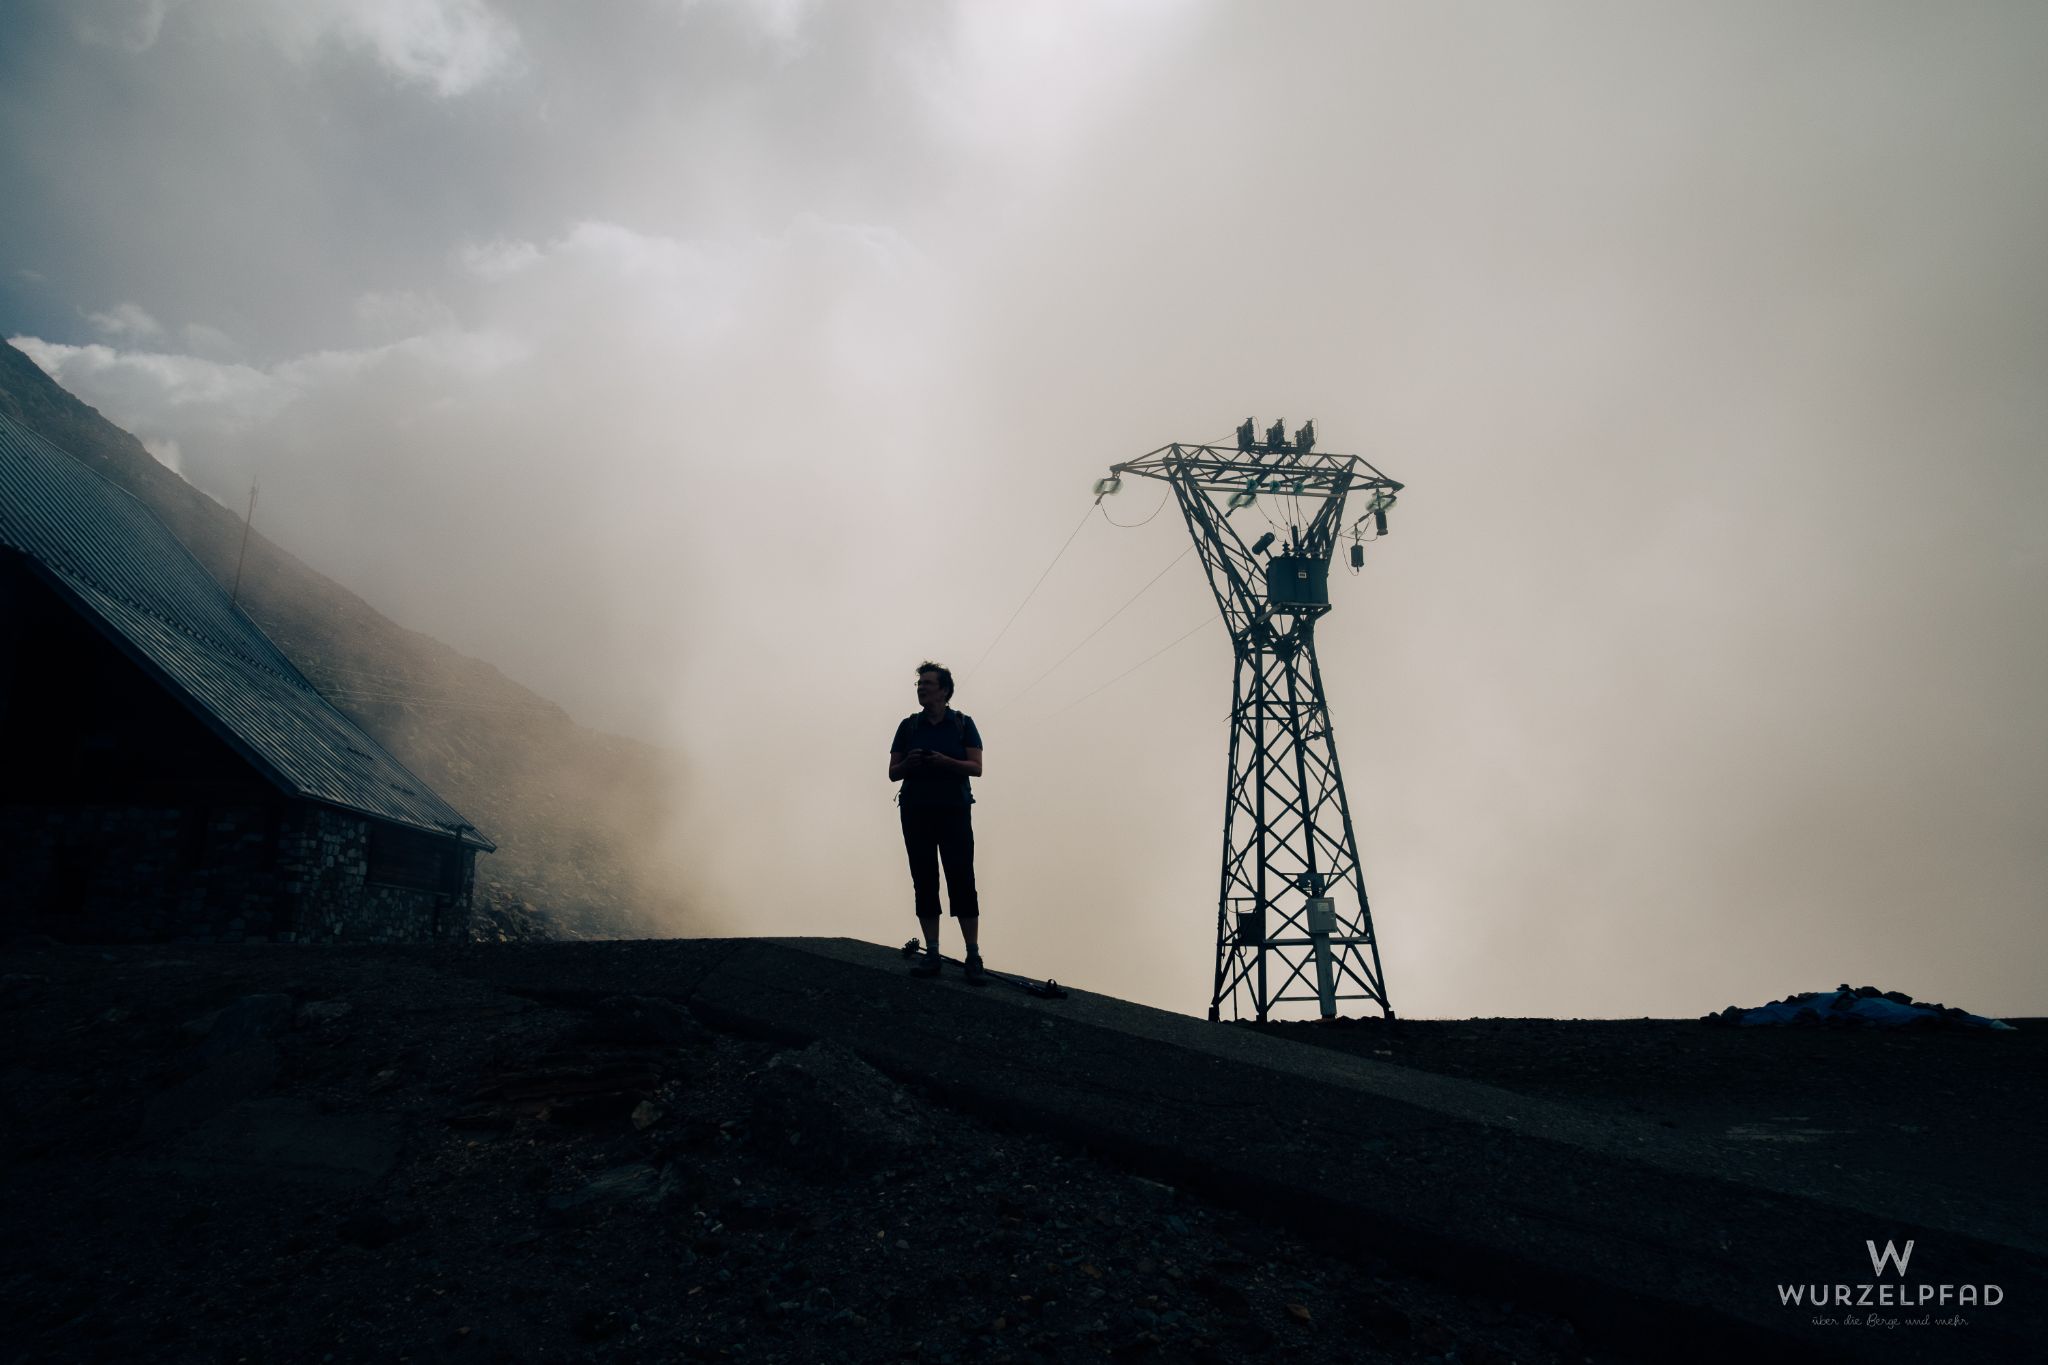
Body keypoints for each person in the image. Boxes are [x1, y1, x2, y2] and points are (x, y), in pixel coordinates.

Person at [889, 661, 986, 984]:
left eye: (927, 683)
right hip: (916, 810)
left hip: (953, 811)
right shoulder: (909, 726)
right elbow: (893, 773)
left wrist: (945, 762)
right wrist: (910, 763)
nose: (921, 688)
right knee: (924, 879)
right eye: (919, 684)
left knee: (961, 878)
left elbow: (976, 767)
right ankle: (933, 953)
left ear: (944, 690)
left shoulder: (962, 724)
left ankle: (972, 954)